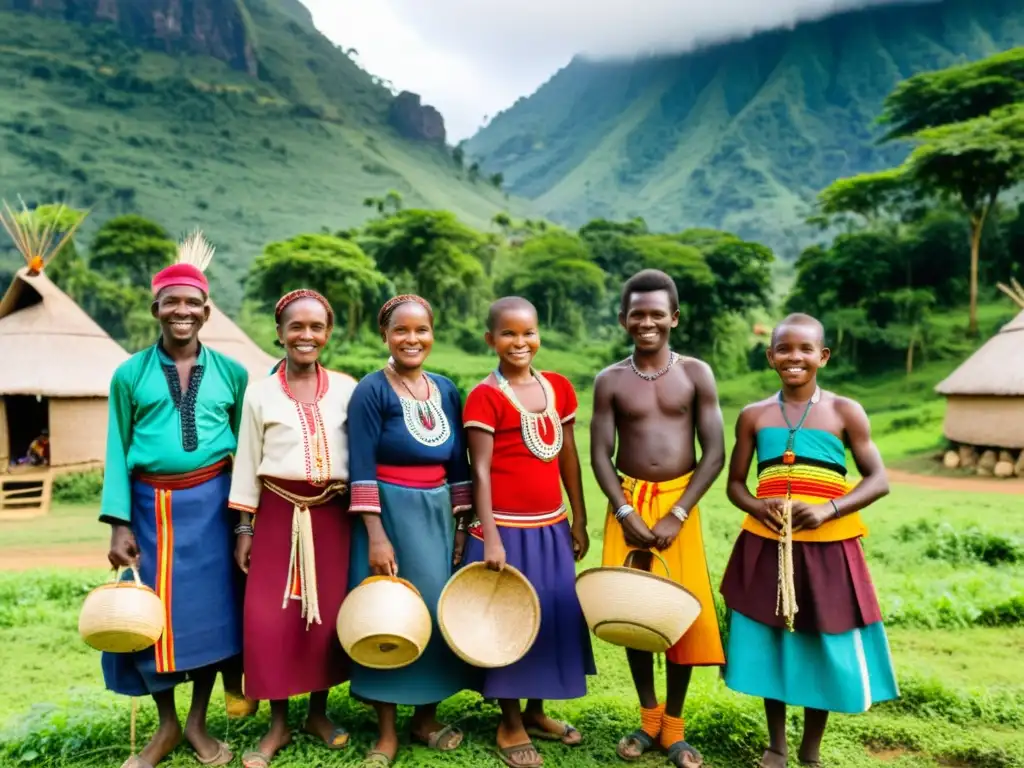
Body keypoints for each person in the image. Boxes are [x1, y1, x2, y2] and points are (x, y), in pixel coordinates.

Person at [719, 313, 899, 768]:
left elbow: (878, 480)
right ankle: (776, 745)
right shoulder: (754, 415)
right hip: (766, 544)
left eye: (805, 350)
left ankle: (810, 750)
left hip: (829, 546)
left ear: (823, 356)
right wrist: (758, 507)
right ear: (770, 356)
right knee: (772, 639)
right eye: (784, 349)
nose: (794, 357)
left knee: (821, 638)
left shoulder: (844, 411)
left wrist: (828, 509)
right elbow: (736, 484)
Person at [99, 241, 248, 768]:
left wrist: (244, 524)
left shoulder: (233, 374)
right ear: (155, 308)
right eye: (171, 303)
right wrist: (118, 523)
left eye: (192, 303)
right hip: (149, 510)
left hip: (213, 509)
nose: (182, 312)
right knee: (148, 617)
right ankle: (164, 728)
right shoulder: (129, 374)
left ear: (207, 310)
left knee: (211, 618)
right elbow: (117, 448)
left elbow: (244, 454)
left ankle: (197, 724)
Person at [590, 269, 727, 768]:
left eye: (656, 314)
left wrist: (678, 512)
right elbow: (600, 454)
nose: (646, 322)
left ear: (674, 316)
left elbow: (714, 452)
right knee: (634, 613)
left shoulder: (696, 373)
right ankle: (648, 718)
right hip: (626, 505)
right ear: (624, 319)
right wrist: (624, 510)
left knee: (678, 613)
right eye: (637, 314)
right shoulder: (610, 380)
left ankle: (674, 727)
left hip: (678, 506)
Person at [461, 297, 595, 768]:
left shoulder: (559, 388)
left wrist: (577, 518)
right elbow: (480, 471)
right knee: (509, 622)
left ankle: (537, 712)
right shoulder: (485, 396)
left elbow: (568, 458)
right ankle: (510, 720)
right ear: (490, 340)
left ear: (539, 334)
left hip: (551, 527)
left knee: (551, 616)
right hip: (506, 531)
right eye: (508, 335)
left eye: (528, 333)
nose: (520, 343)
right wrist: (491, 535)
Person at [228, 290, 359, 768]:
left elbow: (361, 455)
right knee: (272, 617)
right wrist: (245, 527)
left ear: (328, 333)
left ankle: (318, 714)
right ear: (279, 332)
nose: (307, 336)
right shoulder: (259, 394)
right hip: (278, 515)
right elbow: (246, 461)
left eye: (316, 327)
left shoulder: (348, 388)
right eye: (296, 327)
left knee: (323, 617)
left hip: (332, 516)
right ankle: (278, 723)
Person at [346, 294, 476, 767]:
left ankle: (425, 716)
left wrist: (462, 523)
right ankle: (386, 731)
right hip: (389, 515)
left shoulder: (445, 389)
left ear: (433, 333)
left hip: (437, 516)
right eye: (401, 330)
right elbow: (359, 466)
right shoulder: (371, 391)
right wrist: (376, 535)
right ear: (385, 335)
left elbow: (459, 463)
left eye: (421, 330)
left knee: (434, 611)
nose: (412, 339)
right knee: (387, 612)